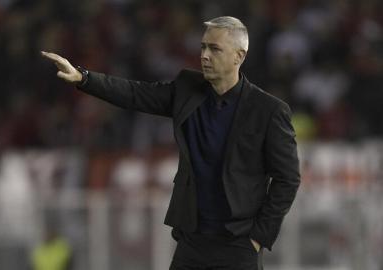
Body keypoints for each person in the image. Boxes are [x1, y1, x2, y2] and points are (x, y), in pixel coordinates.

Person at [42, 16, 300, 270]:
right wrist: (84, 78)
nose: (205, 55)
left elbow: (287, 178)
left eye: (215, 48)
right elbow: (136, 93)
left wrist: (259, 237)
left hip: (239, 244)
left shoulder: (269, 110)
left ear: (239, 56)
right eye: (203, 47)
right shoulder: (187, 89)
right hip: (192, 242)